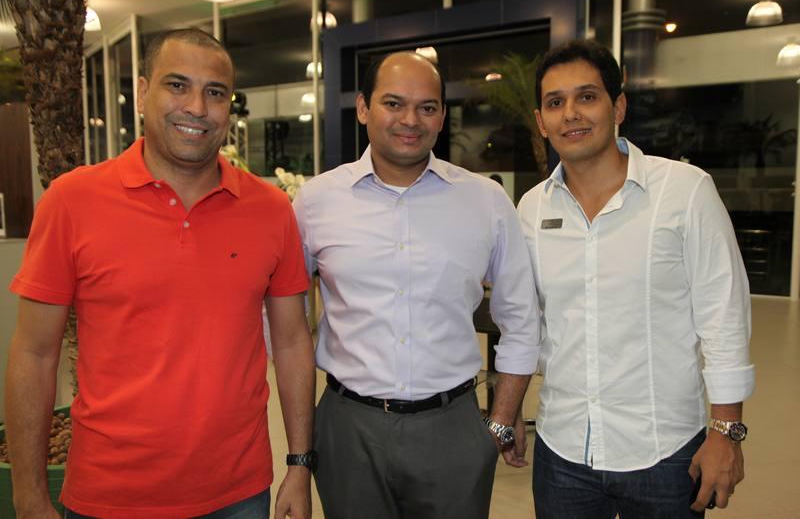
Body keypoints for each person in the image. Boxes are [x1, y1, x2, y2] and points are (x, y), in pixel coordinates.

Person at [5, 29, 315, 519]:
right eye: (177, 85)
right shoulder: (72, 201)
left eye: (215, 93)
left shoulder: (271, 210)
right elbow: (34, 354)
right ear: (143, 92)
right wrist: (28, 495)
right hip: (108, 495)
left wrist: (299, 464)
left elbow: (293, 342)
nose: (197, 107)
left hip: (237, 494)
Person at [293, 51, 540, 519]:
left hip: (453, 428)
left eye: (427, 107)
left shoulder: (485, 201)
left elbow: (522, 319)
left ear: (442, 117)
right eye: (393, 103)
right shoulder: (316, 202)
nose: (411, 120)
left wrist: (501, 422)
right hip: (347, 428)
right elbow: (285, 322)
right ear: (363, 108)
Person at [518, 39, 754, 518]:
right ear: (542, 121)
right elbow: (529, 323)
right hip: (563, 450)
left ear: (618, 106)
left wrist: (726, 432)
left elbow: (724, 315)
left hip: (665, 452)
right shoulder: (531, 209)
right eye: (555, 103)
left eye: (587, 97)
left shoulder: (684, 192)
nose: (571, 114)